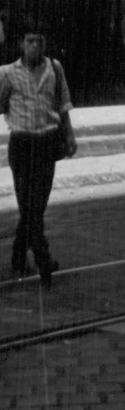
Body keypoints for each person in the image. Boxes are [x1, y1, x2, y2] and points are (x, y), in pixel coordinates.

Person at [0, 24, 76, 287]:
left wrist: (69, 135)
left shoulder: (54, 68)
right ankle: (44, 259)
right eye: (30, 41)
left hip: (46, 144)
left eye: (39, 41)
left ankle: (19, 256)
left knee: (37, 206)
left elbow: (63, 104)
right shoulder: (7, 73)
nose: (35, 46)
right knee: (27, 205)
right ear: (21, 43)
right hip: (21, 144)